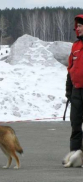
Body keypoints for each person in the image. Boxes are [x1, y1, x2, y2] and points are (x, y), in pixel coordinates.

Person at [65, 15, 83, 154]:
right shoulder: (75, 46)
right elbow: (70, 70)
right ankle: (74, 155)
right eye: (77, 26)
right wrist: (69, 92)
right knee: (75, 124)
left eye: (80, 26)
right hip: (77, 92)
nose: (78, 28)